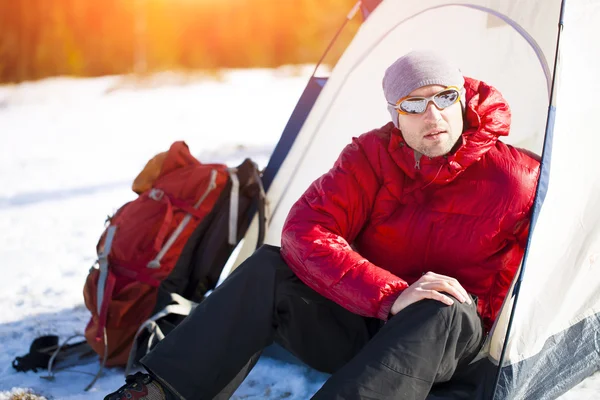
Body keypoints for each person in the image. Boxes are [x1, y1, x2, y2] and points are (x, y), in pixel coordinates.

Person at [105, 50, 540, 400]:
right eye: (414, 105)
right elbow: (304, 231)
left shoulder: (517, 177)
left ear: (462, 98)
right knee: (270, 267)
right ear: (395, 115)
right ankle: (163, 391)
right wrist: (390, 296)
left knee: (440, 302)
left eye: (444, 97)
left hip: (445, 342)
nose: (433, 115)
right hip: (368, 321)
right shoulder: (370, 157)